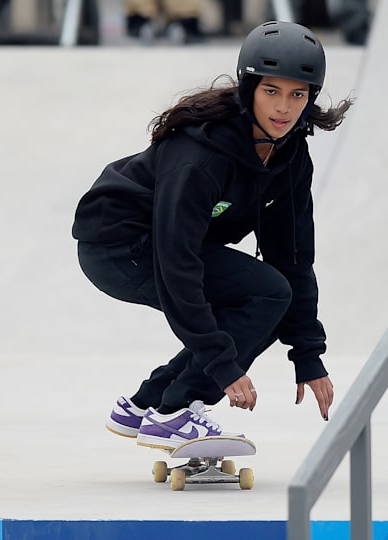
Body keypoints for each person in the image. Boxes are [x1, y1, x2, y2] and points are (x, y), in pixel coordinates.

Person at [72, 21, 352, 450]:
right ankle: (176, 412)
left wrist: (308, 354)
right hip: (117, 244)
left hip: (164, 245)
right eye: (271, 91)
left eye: (298, 94)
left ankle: (147, 405)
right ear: (249, 89)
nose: (284, 108)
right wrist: (223, 368)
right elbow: (176, 264)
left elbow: (293, 256)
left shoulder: (291, 156)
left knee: (272, 293)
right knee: (266, 294)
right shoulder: (200, 157)